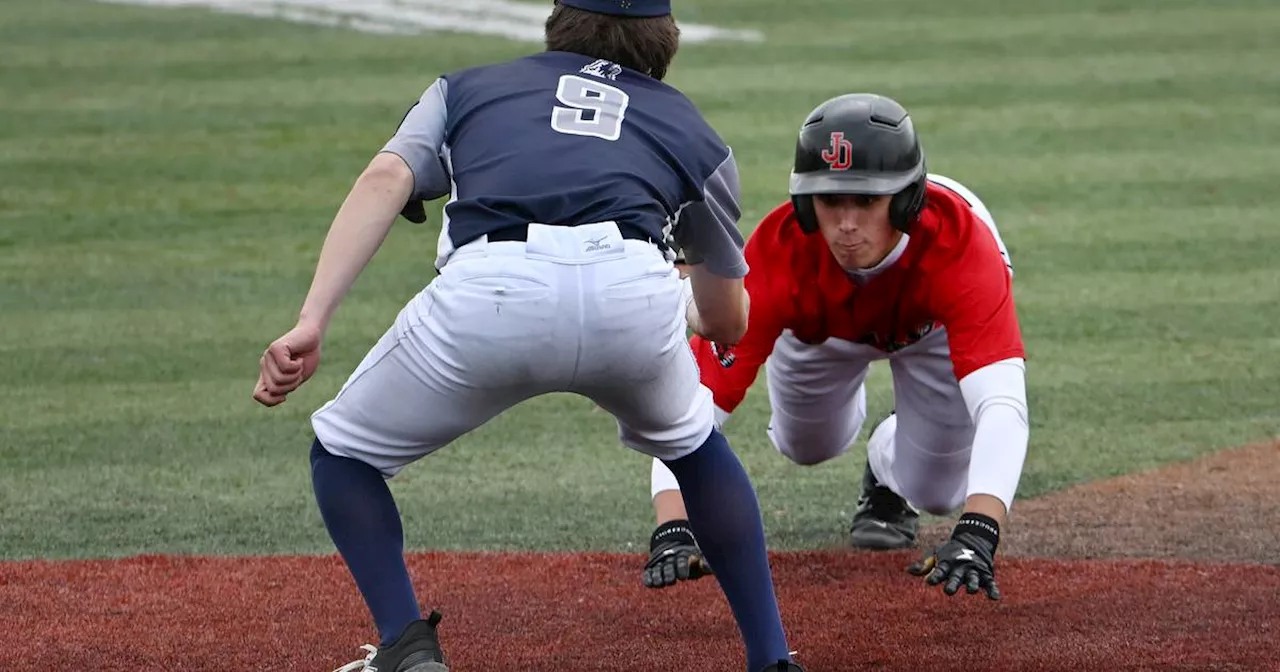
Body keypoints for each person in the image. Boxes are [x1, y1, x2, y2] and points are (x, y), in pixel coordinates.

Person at [251, 1, 804, 671]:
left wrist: (313, 319)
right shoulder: (691, 127)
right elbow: (725, 320)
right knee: (693, 447)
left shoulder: (465, 87)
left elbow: (386, 178)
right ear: (664, 43)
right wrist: (669, 303)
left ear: (556, 25)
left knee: (342, 454)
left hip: (492, 289)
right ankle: (771, 659)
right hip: (630, 286)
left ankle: (407, 646)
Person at [641, 93, 1029, 602]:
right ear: (805, 204)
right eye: (830, 200)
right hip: (818, 334)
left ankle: (886, 464)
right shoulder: (779, 252)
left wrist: (980, 528)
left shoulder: (961, 242)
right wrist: (672, 523)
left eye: (867, 200)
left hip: (928, 331)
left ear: (908, 199)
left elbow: (1001, 402)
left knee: (940, 493)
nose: (847, 223)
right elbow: (688, 404)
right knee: (805, 445)